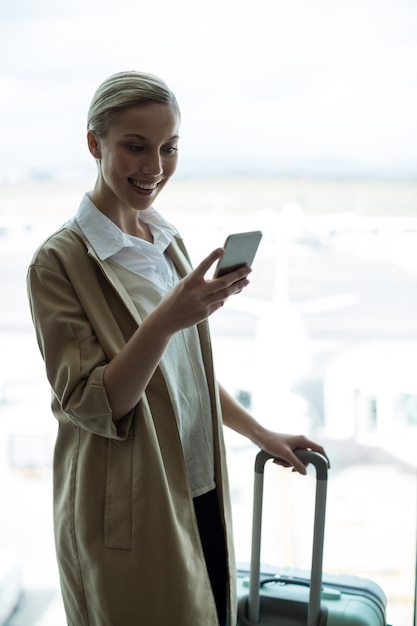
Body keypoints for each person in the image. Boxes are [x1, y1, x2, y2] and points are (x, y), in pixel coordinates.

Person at [27, 70, 328, 626]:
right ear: (95, 143)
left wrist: (259, 431)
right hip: (132, 502)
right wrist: (166, 320)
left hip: (197, 481)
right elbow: (96, 403)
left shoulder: (163, 239)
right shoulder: (59, 263)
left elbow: (181, 374)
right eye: (135, 147)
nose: (155, 168)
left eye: (168, 149)